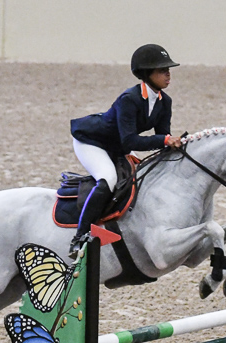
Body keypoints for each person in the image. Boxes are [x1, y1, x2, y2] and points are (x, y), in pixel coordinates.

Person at [68, 43, 183, 258]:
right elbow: (131, 140)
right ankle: (79, 238)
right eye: (162, 70)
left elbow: (161, 137)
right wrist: (166, 140)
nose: (168, 74)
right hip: (93, 142)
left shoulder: (164, 101)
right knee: (108, 180)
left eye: (168, 70)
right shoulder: (129, 99)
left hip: (118, 146)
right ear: (146, 74)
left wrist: (177, 145)